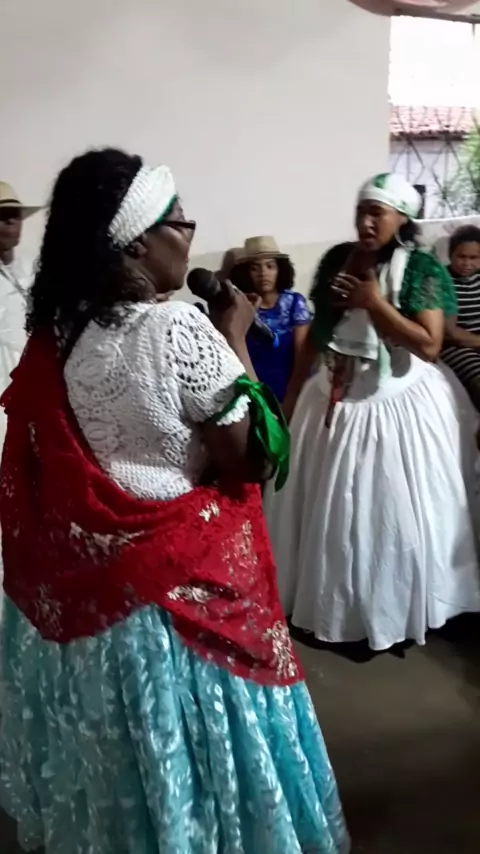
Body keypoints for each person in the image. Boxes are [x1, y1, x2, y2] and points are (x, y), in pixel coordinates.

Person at [0, 148, 349, 854]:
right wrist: (235, 338)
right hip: (180, 601)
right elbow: (254, 457)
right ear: (136, 242)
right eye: (177, 220)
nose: (190, 231)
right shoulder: (179, 330)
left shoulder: (61, 335)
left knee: (129, 762)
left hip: (103, 602)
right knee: (197, 757)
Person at [265, 172, 480, 653]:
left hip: (395, 402)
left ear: (401, 217)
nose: (365, 221)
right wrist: (294, 392)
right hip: (335, 396)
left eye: (376, 213)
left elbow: (429, 345)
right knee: (332, 511)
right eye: (361, 211)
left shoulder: (422, 268)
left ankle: (396, 606)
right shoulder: (337, 260)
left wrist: (373, 303)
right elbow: (320, 331)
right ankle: (336, 603)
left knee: (390, 513)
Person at [231, 236, 311, 403]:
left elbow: (303, 357)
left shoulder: (294, 302)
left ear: (280, 269)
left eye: (270, 266)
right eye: (255, 268)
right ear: (245, 273)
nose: (263, 273)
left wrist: (292, 397)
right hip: (255, 392)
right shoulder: (239, 306)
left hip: (293, 390)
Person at [0, 181, 40, 445]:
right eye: (2, 216)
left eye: (15, 216)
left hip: (35, 371)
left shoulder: (34, 268)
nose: (11, 222)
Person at [441, 225, 480, 410]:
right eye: (461, 257)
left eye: (474, 258)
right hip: (455, 347)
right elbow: (450, 332)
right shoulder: (442, 280)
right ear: (451, 255)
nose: (467, 263)